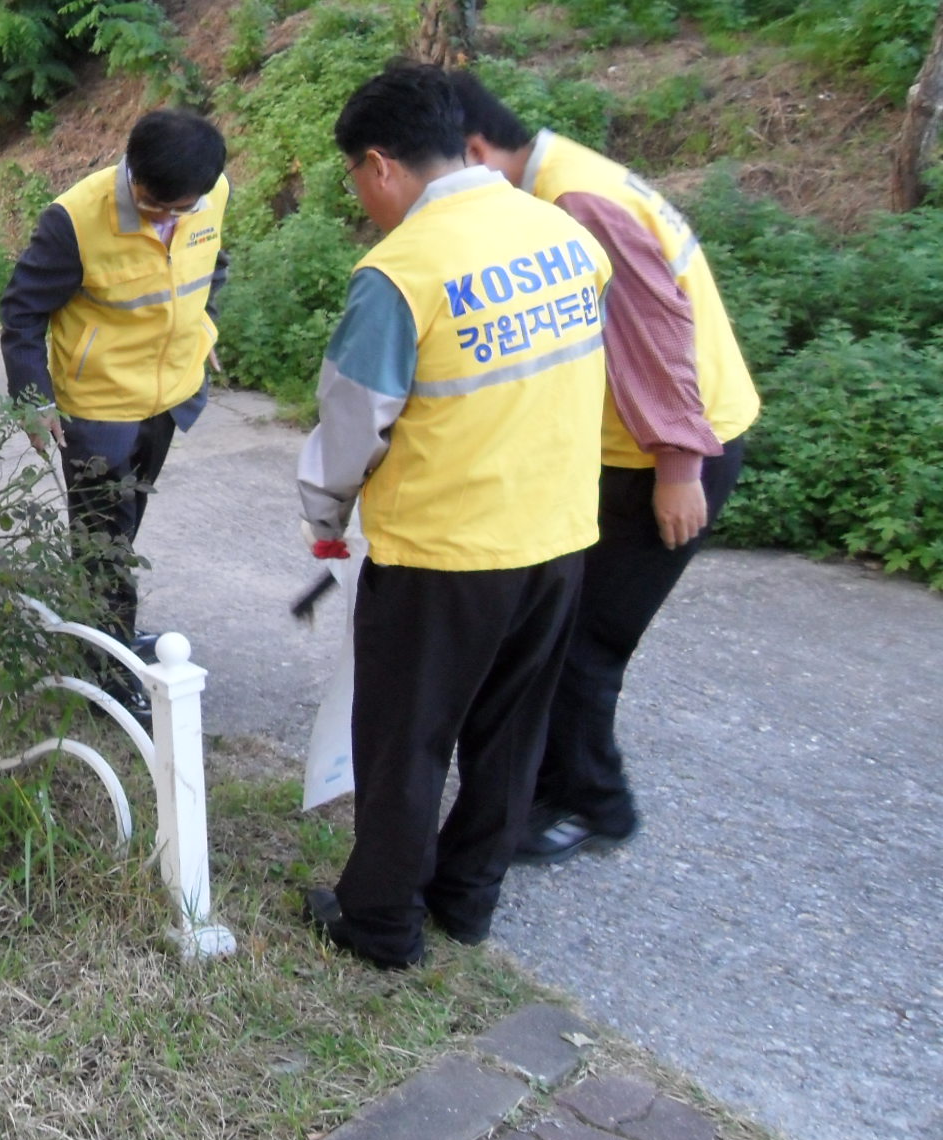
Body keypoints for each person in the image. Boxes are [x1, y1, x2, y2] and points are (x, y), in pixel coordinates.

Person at [298, 61, 612, 970]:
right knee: (510, 735)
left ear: (381, 164)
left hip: (443, 552)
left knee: (406, 741)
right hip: (556, 539)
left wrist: (324, 517)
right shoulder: (561, 235)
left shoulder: (401, 273)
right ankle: (468, 902)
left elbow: (352, 424)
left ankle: (382, 922)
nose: (362, 199)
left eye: (357, 178)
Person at [449, 73, 759, 865]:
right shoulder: (560, 178)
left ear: (477, 151)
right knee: (554, 628)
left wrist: (678, 468)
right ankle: (550, 789)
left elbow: (658, 330)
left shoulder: (574, 201)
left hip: (674, 453)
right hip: (628, 452)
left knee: (585, 643)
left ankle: (594, 804)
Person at [0, 110, 232, 694]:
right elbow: (22, 311)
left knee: (123, 529)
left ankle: (108, 634)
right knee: (102, 539)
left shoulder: (211, 193)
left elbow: (211, 267)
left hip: (169, 397)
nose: (169, 219)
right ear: (132, 172)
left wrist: (202, 329)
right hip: (99, 407)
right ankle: (105, 679)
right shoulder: (75, 220)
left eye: (182, 208)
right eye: (157, 205)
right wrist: (34, 400)